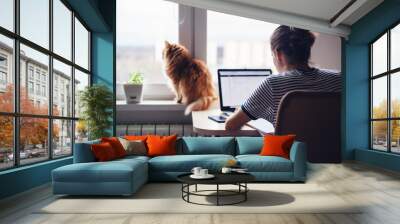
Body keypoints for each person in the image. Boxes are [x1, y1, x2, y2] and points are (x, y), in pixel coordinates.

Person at [225, 25, 341, 131]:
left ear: (278, 54)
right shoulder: (338, 78)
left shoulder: (273, 84)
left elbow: (231, 125)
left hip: (289, 153)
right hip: (333, 153)